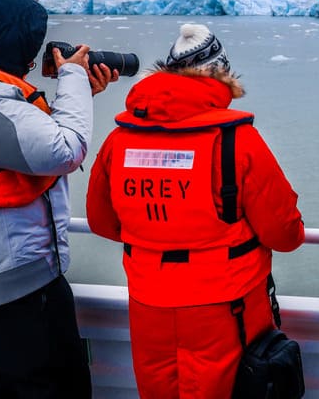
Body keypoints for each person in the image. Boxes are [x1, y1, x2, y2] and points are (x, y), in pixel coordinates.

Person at [86, 22, 305, 399]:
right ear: (221, 74)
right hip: (225, 307)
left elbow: (101, 221)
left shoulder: (120, 139)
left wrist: (157, 232)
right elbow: (285, 235)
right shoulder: (237, 141)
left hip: (147, 303)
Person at [0, 0, 117, 398]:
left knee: (2, 385)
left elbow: (12, 144)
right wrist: (72, 76)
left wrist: (79, 94)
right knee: (46, 388)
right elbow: (62, 150)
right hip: (9, 278)